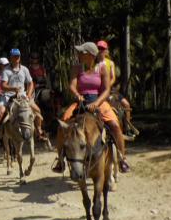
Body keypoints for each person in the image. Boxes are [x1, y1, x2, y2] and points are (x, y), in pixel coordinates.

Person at [53, 42, 130, 173]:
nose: (78, 54)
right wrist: (77, 95)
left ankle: (122, 158)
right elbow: (72, 86)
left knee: (115, 125)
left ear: (90, 55)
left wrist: (97, 103)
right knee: (63, 125)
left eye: (81, 52)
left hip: (98, 100)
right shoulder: (76, 68)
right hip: (81, 101)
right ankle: (60, 160)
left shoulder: (102, 68)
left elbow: (106, 90)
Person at [0, 49, 46, 140]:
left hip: (22, 96)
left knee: (37, 110)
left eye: (18, 56)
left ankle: (39, 131)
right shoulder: (6, 70)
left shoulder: (24, 69)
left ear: (20, 57)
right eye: (14, 56)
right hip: (8, 96)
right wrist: (13, 89)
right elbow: (3, 86)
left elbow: (30, 83)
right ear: (11, 58)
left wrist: (29, 95)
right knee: (0, 112)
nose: (16, 58)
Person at [96, 40, 136, 136]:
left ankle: (127, 128)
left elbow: (113, 77)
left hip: (110, 90)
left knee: (126, 104)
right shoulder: (94, 64)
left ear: (106, 51)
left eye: (103, 49)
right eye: (99, 48)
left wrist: (107, 85)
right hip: (97, 90)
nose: (101, 50)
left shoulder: (110, 63)